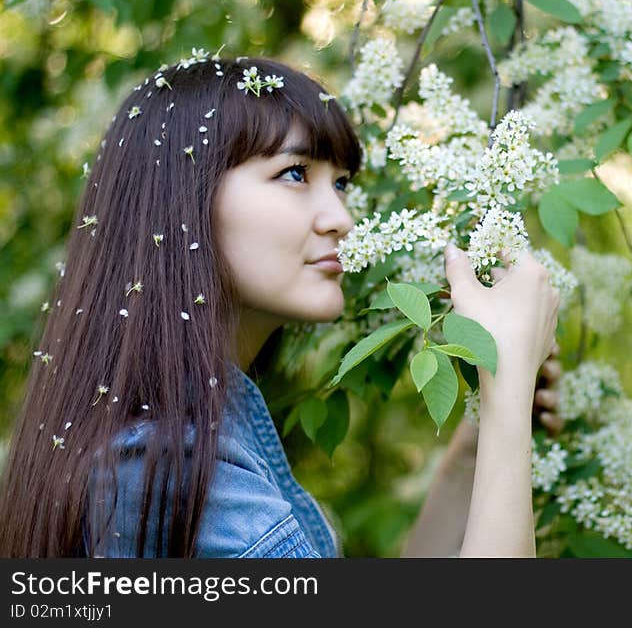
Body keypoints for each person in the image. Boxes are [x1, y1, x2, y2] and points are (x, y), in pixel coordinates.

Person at [0, 52, 561, 558]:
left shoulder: (200, 436)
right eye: (295, 174)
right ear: (184, 202)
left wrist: (478, 448)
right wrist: (508, 378)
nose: (340, 217)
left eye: (340, 184)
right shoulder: (166, 470)